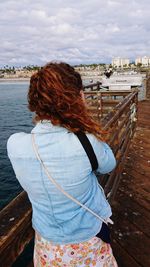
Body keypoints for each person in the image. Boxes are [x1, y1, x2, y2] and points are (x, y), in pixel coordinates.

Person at [7, 62, 118, 266]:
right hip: (87, 241)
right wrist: (85, 125)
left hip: (47, 245)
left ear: (36, 102)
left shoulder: (14, 144)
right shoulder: (86, 142)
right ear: (75, 99)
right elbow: (108, 164)